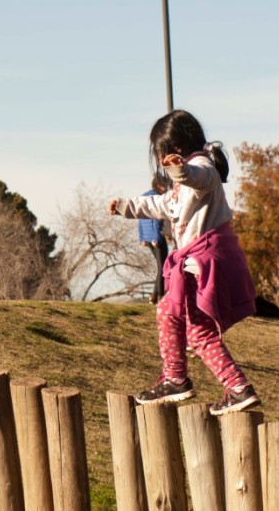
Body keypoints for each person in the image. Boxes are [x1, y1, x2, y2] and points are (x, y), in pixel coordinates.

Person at [109, 109, 260, 416]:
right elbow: (162, 203)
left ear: (175, 149)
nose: (162, 159)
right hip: (197, 261)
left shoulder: (200, 166)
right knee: (168, 311)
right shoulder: (181, 184)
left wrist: (181, 170)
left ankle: (235, 387)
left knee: (199, 332)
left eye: (163, 152)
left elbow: (199, 177)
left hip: (206, 260)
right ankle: (177, 377)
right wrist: (127, 206)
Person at [137, 173, 170, 303]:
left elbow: (140, 219)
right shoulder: (157, 198)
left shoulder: (144, 196)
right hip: (156, 238)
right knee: (163, 266)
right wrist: (157, 237)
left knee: (160, 266)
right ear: (159, 185)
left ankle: (154, 296)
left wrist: (142, 238)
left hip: (147, 237)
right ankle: (160, 296)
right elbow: (157, 219)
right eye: (165, 185)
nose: (167, 188)